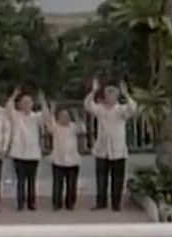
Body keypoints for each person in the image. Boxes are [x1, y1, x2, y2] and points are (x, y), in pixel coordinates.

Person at [84, 78, 137, 212]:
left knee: (117, 179)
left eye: (113, 94)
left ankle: (116, 204)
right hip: (102, 149)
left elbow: (133, 108)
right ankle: (101, 203)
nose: (110, 96)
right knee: (101, 179)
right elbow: (88, 105)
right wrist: (94, 91)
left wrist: (126, 94)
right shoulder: (100, 109)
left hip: (118, 150)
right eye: (108, 94)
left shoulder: (121, 110)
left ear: (117, 96)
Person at [41, 96, 83, 211]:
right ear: (58, 118)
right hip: (58, 160)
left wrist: (76, 117)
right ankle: (57, 204)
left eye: (67, 116)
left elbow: (81, 129)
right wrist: (51, 109)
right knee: (57, 184)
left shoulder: (73, 127)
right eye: (62, 116)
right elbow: (48, 119)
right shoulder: (55, 128)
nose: (65, 118)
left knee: (71, 184)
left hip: (73, 160)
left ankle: (70, 203)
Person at [6, 88, 43, 211]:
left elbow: (47, 117)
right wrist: (14, 95)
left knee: (31, 180)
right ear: (20, 104)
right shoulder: (16, 116)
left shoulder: (36, 116)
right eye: (24, 103)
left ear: (32, 104)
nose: (26, 105)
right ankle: (20, 203)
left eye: (29, 103)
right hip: (18, 153)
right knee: (20, 180)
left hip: (33, 153)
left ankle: (31, 203)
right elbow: (8, 108)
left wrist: (43, 102)